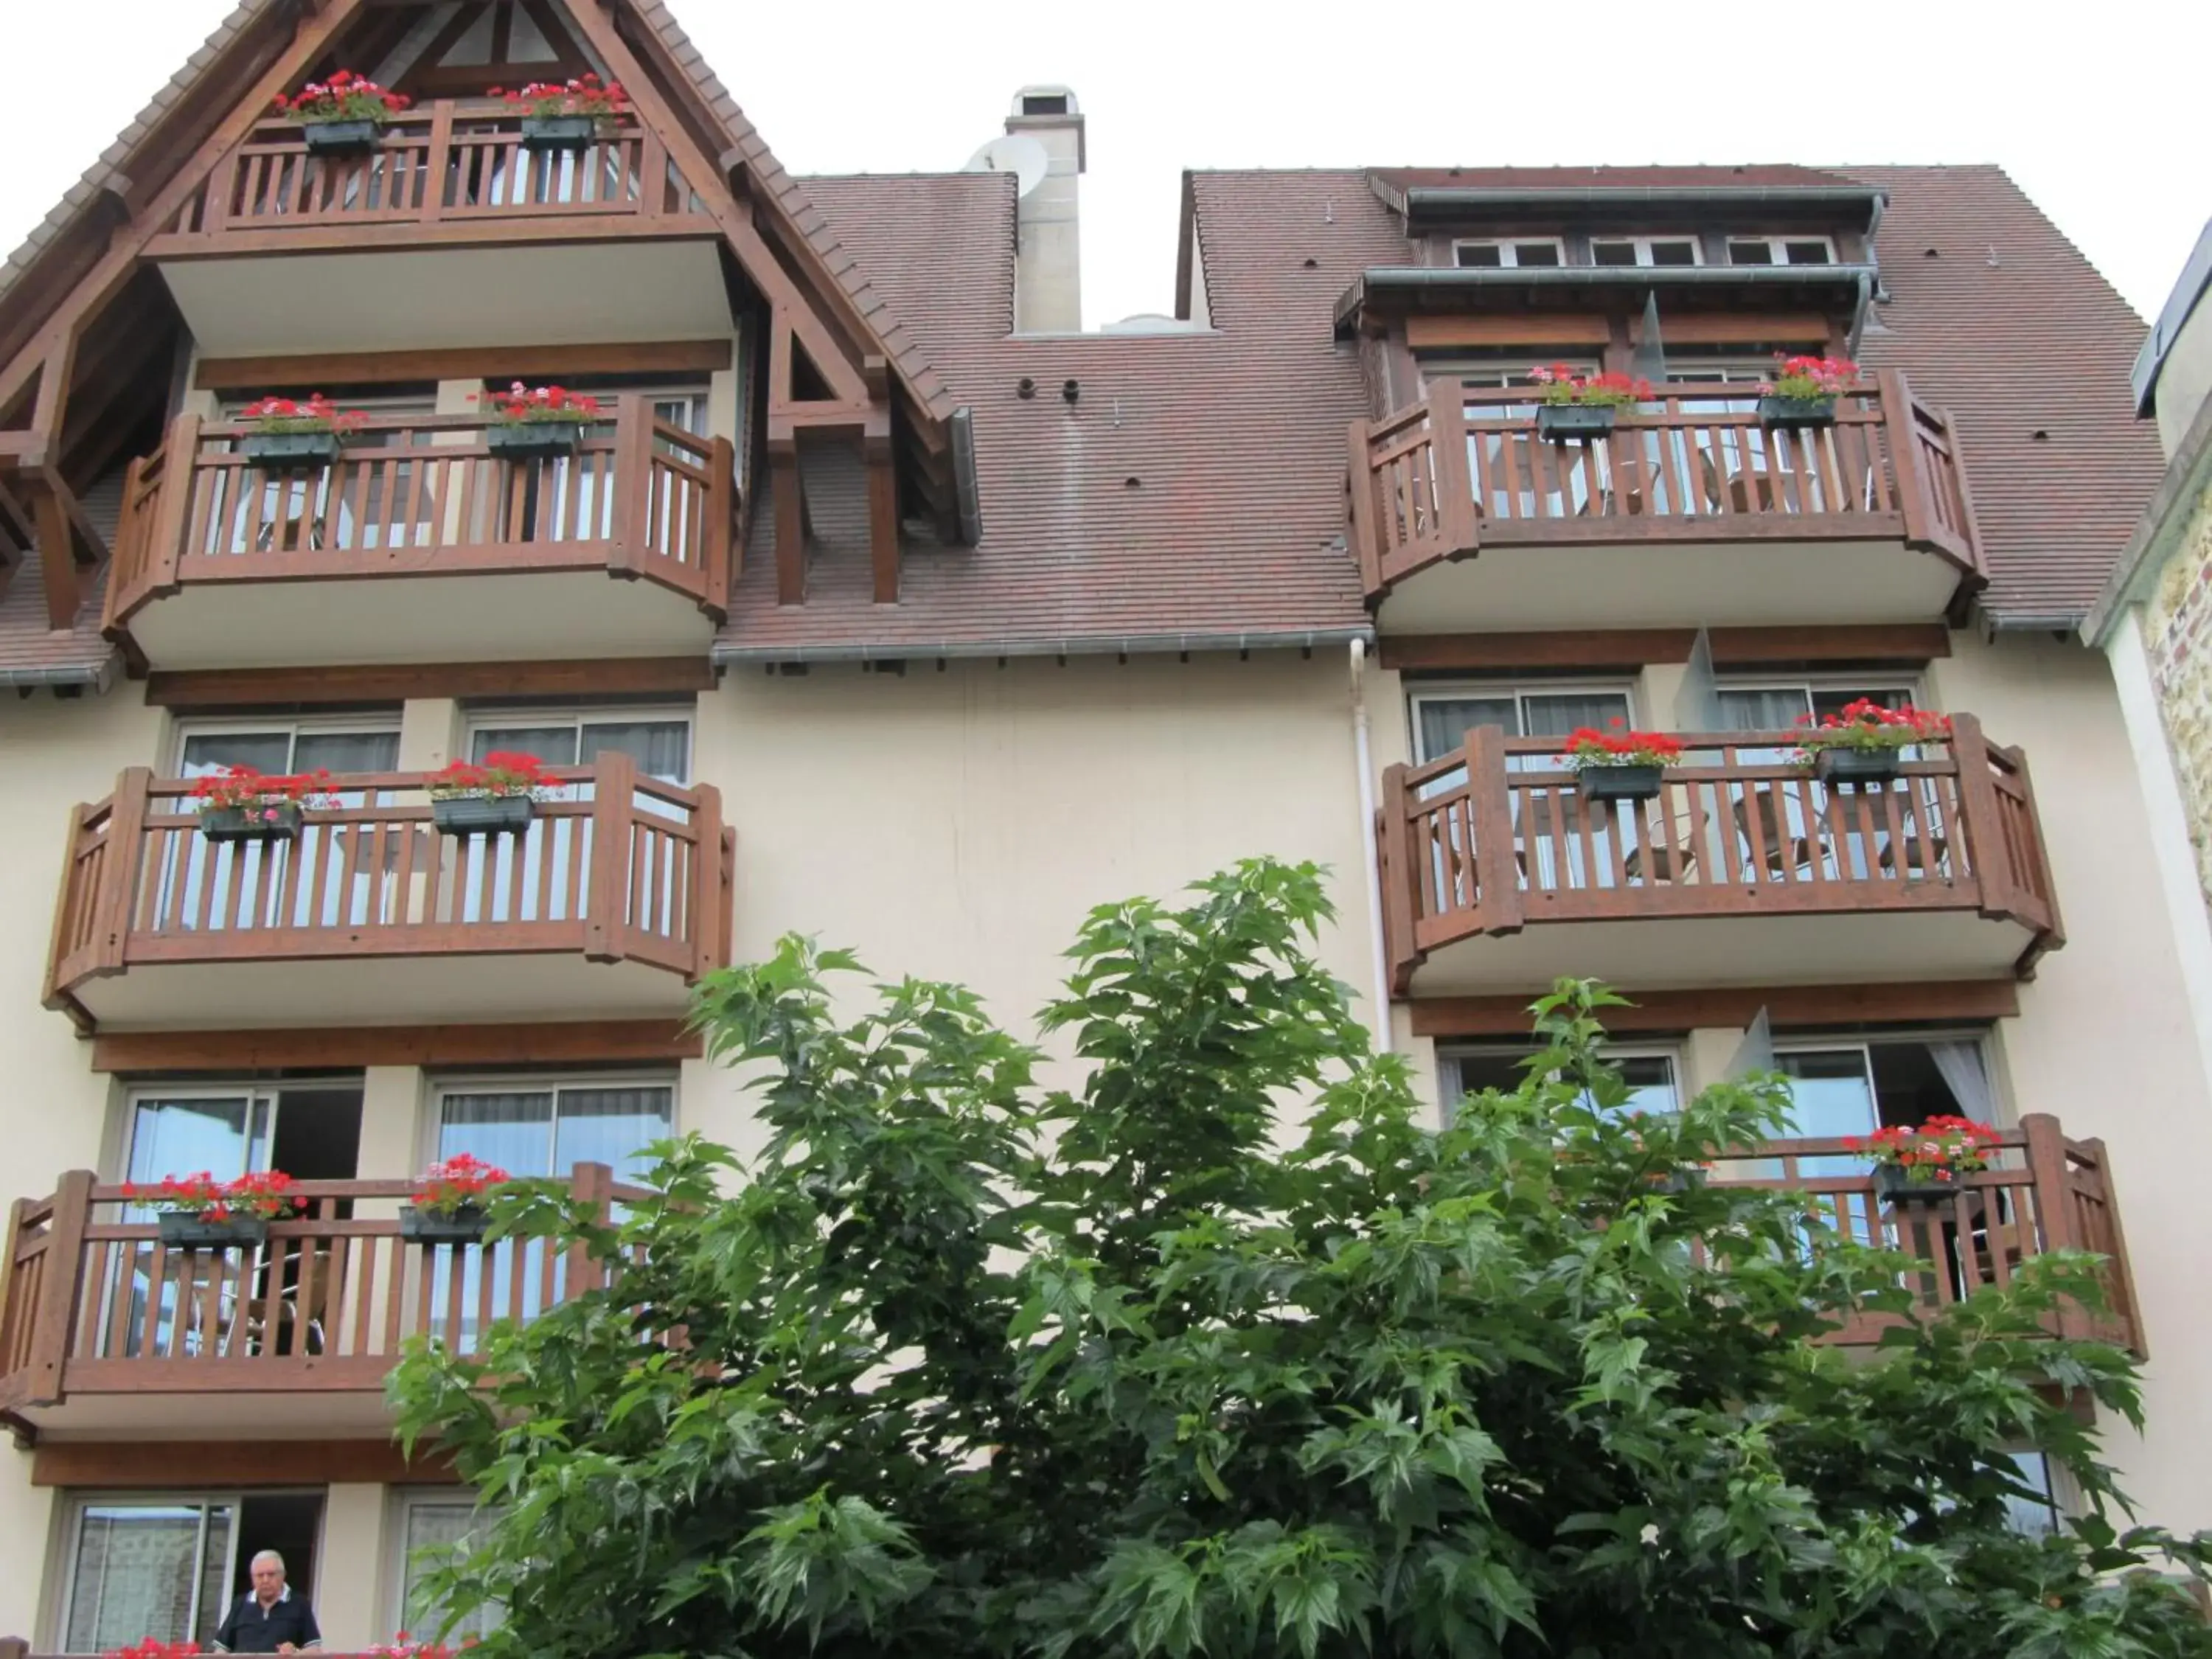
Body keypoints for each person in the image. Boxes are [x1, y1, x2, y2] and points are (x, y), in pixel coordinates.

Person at [212, 1550, 322, 1654]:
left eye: (271, 1574)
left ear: (283, 1575)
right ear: (252, 1578)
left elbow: (314, 1649)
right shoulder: (240, 1604)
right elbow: (221, 1649)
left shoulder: (299, 1604)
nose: (265, 1580)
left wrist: (295, 1653)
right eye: (260, 1575)